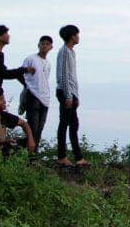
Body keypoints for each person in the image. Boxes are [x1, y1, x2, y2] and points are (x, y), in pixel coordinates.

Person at [55, 24, 88, 167]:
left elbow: (72, 76)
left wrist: (76, 95)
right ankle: (62, 156)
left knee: (73, 124)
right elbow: (63, 75)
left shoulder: (71, 52)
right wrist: (68, 96)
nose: (78, 37)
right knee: (65, 124)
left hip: (71, 93)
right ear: (72, 36)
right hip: (65, 92)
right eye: (77, 34)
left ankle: (77, 157)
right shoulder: (64, 52)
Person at [0, 87, 36, 158]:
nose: (4, 101)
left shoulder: (4, 115)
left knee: (27, 142)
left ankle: (30, 161)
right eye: (1, 99)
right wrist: (2, 141)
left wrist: (30, 140)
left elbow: (24, 124)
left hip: (3, 145)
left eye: (3, 98)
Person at [20, 35, 53, 150]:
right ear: (38, 45)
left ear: (51, 47)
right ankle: (30, 156)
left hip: (45, 98)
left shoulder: (48, 64)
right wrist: (28, 86)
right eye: (42, 43)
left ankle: (33, 154)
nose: (44, 46)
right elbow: (21, 73)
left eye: (47, 44)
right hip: (33, 95)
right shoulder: (31, 59)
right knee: (32, 128)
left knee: (39, 128)